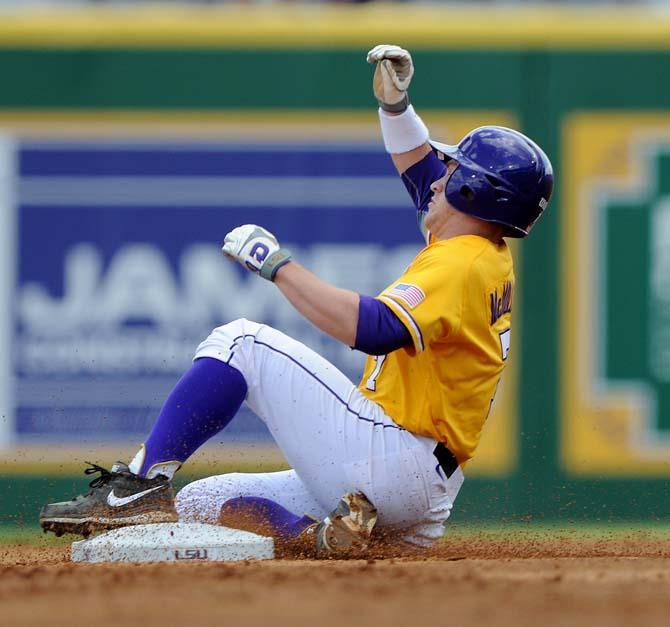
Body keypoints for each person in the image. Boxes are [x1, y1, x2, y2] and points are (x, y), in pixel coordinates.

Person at [39, 44, 553, 554]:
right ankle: (324, 537)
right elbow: (424, 181)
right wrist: (396, 110)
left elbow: (374, 329)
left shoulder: (459, 261)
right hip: (420, 490)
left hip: (392, 457)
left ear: (473, 193)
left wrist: (278, 266)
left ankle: (138, 486)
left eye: (455, 171)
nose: (441, 176)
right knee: (199, 502)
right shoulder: (479, 248)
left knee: (241, 342)